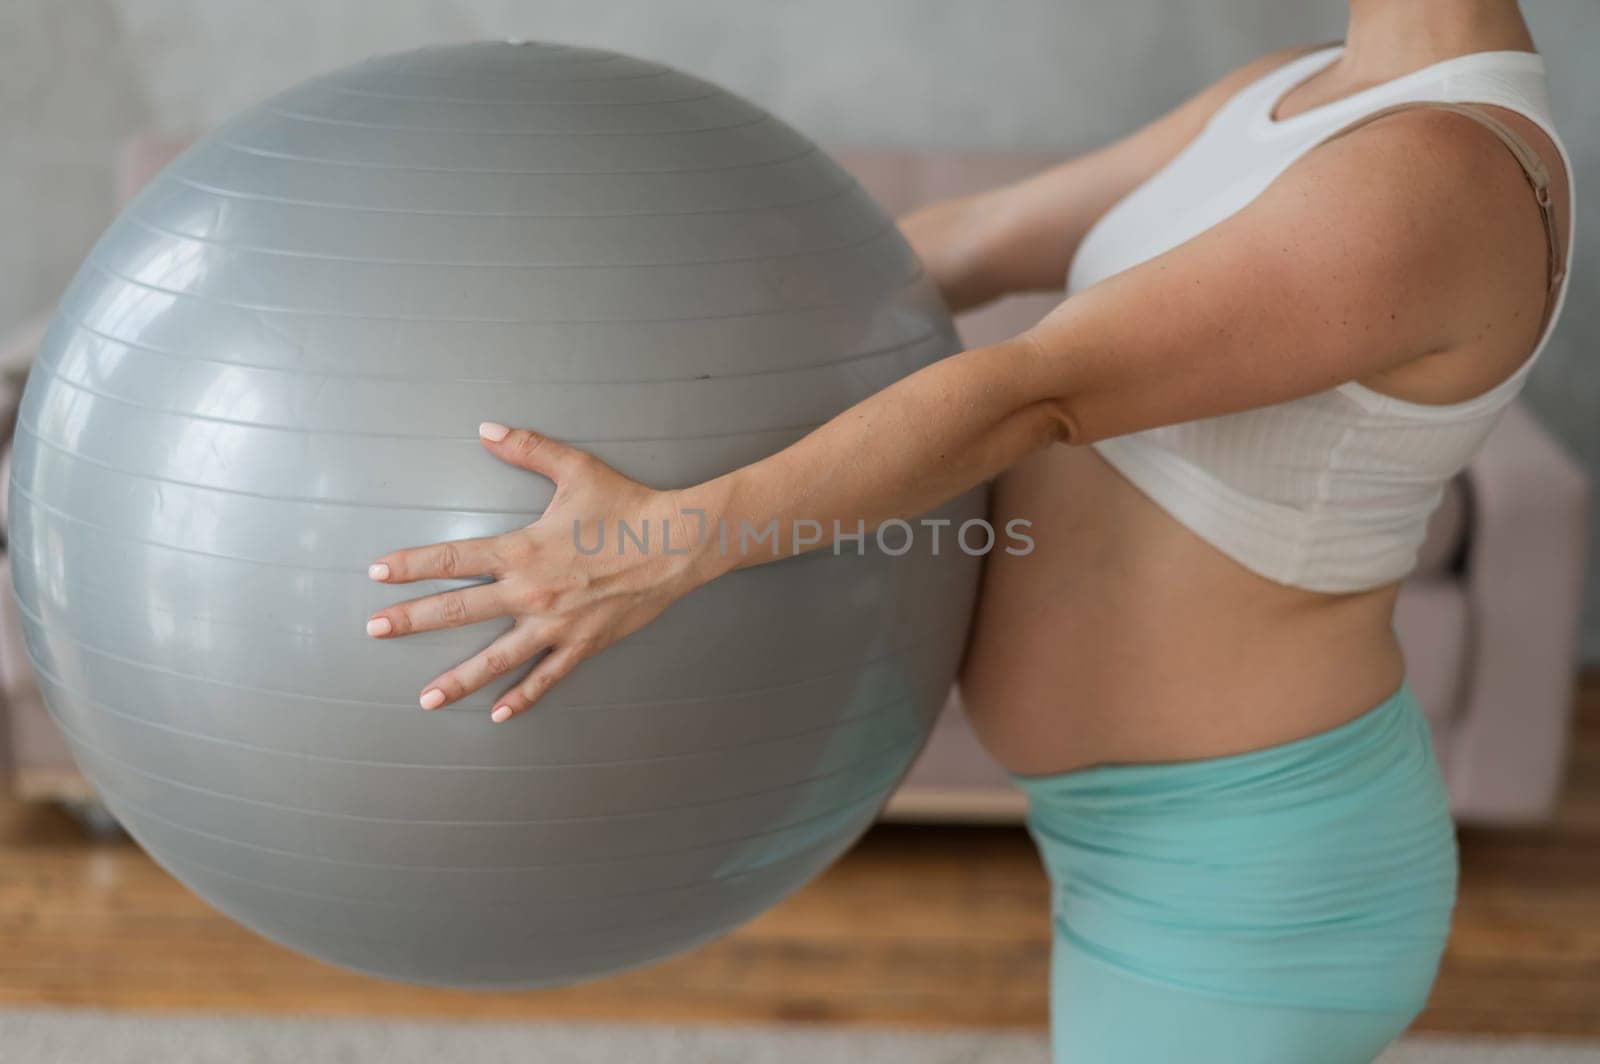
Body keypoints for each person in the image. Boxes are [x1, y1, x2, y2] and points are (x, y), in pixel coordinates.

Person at [364, 1, 1573, 1059]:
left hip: (1246, 868)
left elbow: (1030, 392)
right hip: (1144, 829)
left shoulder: (1439, 170)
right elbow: (969, 243)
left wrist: (654, 545)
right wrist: (653, 340)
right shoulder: (1296, 88)